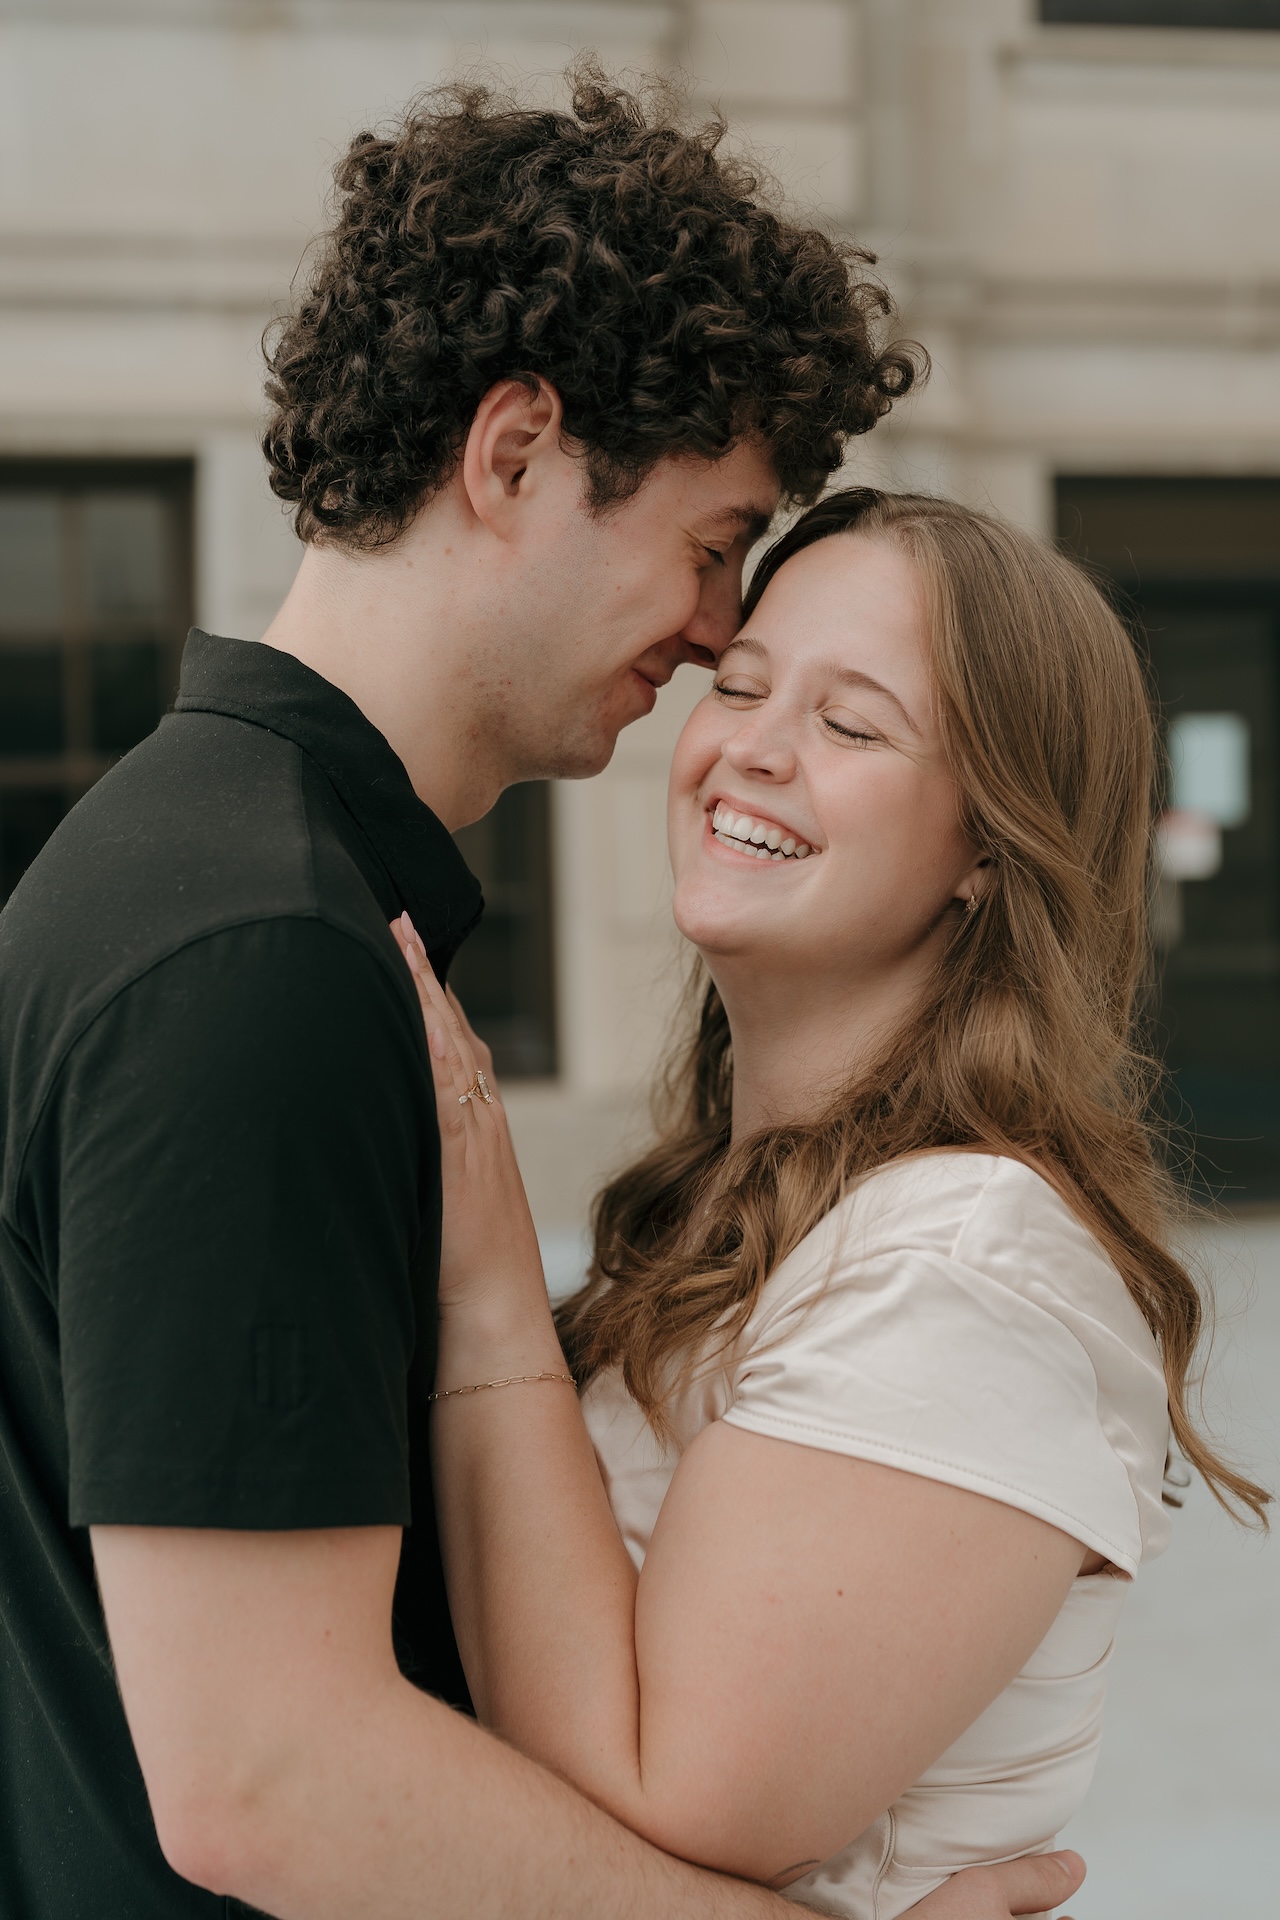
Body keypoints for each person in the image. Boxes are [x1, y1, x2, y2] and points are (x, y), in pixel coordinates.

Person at [0, 67, 1083, 1920]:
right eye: (716, 538)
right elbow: (265, 1776)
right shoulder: (260, 955)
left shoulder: (213, 874)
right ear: (511, 455)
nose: (723, 628)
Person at [395, 489, 1272, 1914]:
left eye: (853, 724)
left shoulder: (968, 1264)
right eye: (740, 685)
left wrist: (491, 1291)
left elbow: (676, 1793)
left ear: (992, 847)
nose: (752, 747)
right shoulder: (747, 1205)